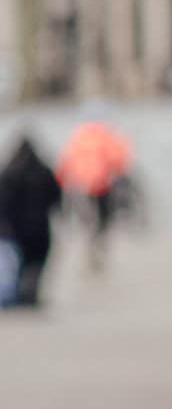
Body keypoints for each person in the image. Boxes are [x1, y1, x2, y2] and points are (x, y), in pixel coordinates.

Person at [54, 108, 132, 270]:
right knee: (104, 218)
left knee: (88, 218)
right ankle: (98, 243)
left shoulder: (77, 137)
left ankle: (91, 243)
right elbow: (119, 160)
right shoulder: (108, 136)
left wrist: (60, 183)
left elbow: (65, 162)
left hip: (81, 186)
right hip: (103, 185)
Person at [0, 136, 64, 307]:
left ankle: (22, 294)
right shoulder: (45, 171)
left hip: (16, 229)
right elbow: (57, 198)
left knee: (20, 263)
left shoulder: (9, 173)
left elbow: (3, 202)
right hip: (41, 227)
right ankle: (31, 293)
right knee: (36, 262)